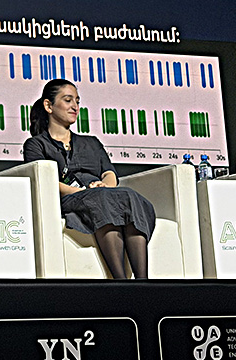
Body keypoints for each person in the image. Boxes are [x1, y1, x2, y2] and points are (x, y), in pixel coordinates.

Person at [23, 79, 155, 279]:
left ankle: (143, 281)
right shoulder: (36, 144)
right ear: (49, 106)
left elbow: (109, 173)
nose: (75, 107)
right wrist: (84, 192)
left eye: (77, 101)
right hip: (70, 198)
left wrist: (104, 186)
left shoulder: (91, 142)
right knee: (101, 199)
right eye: (68, 100)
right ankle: (121, 282)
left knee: (129, 195)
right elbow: (44, 180)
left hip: (101, 194)